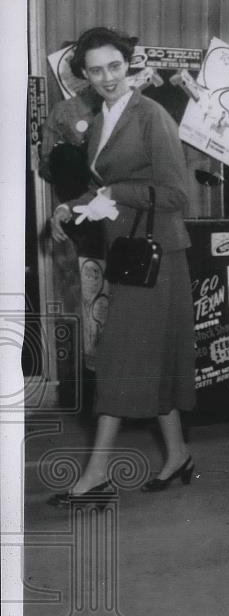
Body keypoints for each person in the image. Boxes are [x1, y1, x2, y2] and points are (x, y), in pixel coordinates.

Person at [48, 26, 195, 503]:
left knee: (117, 360)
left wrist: (113, 193)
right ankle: (178, 456)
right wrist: (73, 205)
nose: (107, 77)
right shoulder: (104, 114)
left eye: (114, 66)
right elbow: (110, 182)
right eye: (95, 70)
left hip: (158, 256)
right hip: (129, 253)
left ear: (128, 64)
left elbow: (174, 194)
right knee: (150, 359)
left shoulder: (152, 116)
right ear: (84, 77)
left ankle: (96, 473)